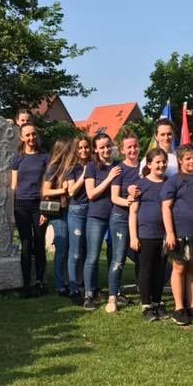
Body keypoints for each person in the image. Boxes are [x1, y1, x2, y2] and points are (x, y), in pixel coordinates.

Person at [161, 144, 193, 326]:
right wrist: (170, 233)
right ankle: (179, 307)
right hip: (179, 233)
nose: (192, 161)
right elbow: (166, 207)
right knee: (179, 268)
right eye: (188, 158)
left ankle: (192, 305)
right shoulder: (173, 181)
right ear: (180, 160)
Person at [10, 118, 50, 297]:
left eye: (34, 134)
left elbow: (48, 183)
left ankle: (40, 281)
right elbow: (13, 186)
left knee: (40, 243)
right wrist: (12, 210)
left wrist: (46, 209)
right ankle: (26, 283)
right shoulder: (17, 159)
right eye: (27, 135)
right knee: (25, 244)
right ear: (22, 137)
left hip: (38, 205)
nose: (31, 137)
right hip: (21, 205)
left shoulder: (45, 157)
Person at [82, 132, 122, 310]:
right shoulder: (91, 167)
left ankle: (115, 292)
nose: (106, 149)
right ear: (96, 150)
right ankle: (89, 294)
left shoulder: (119, 165)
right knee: (92, 256)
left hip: (116, 217)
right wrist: (109, 178)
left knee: (115, 257)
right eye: (102, 147)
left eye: (108, 146)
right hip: (96, 216)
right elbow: (91, 194)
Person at [129, 148, 169, 321]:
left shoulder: (169, 183)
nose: (161, 165)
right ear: (150, 164)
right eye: (157, 162)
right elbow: (133, 212)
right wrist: (133, 236)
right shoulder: (141, 185)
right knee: (146, 270)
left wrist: (170, 233)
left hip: (164, 235)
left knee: (160, 271)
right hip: (145, 235)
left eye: (163, 161)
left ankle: (157, 303)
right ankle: (146, 305)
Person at [105, 129, 141, 313]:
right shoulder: (119, 169)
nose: (133, 150)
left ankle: (144, 290)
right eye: (129, 147)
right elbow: (114, 197)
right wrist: (128, 200)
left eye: (135, 146)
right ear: (123, 149)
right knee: (118, 258)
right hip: (120, 218)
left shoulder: (145, 167)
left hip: (140, 218)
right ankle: (113, 297)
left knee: (141, 255)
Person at [41, 137, 74, 297]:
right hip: (58, 213)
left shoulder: (69, 168)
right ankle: (60, 284)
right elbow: (45, 192)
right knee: (62, 248)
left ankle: (68, 281)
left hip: (69, 210)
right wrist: (63, 190)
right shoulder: (53, 167)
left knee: (68, 248)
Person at [64, 135, 92, 302]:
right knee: (75, 253)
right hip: (76, 211)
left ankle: (89, 287)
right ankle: (74, 289)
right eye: (80, 148)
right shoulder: (72, 168)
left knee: (89, 252)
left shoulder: (94, 165)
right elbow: (72, 191)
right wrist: (84, 175)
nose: (83, 150)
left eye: (86, 147)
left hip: (92, 211)